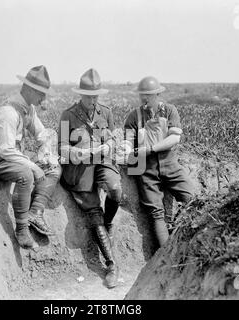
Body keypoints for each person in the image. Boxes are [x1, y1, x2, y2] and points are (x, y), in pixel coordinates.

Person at [0, 65, 61, 249]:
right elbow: (6, 150)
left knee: (54, 167)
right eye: (41, 94)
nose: (43, 99)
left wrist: (47, 152)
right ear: (30, 90)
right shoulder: (9, 112)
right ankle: (22, 229)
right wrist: (34, 166)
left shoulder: (28, 109)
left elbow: (41, 134)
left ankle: (35, 212)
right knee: (26, 174)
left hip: (14, 154)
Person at [58, 68, 121, 288]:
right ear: (80, 94)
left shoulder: (106, 112)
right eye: (88, 96)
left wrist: (108, 145)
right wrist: (79, 153)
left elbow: (113, 138)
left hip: (102, 161)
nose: (92, 100)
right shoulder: (68, 115)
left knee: (115, 190)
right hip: (81, 167)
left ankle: (109, 223)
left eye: (95, 96)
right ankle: (111, 265)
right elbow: (62, 147)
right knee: (94, 211)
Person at [123, 76, 194, 247]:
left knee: (191, 199)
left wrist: (150, 149)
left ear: (157, 94)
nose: (144, 98)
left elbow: (174, 138)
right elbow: (127, 141)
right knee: (156, 213)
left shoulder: (169, 110)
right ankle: (164, 256)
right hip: (146, 170)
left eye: (148, 94)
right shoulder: (134, 117)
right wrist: (125, 151)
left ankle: (183, 238)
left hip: (170, 164)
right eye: (142, 95)